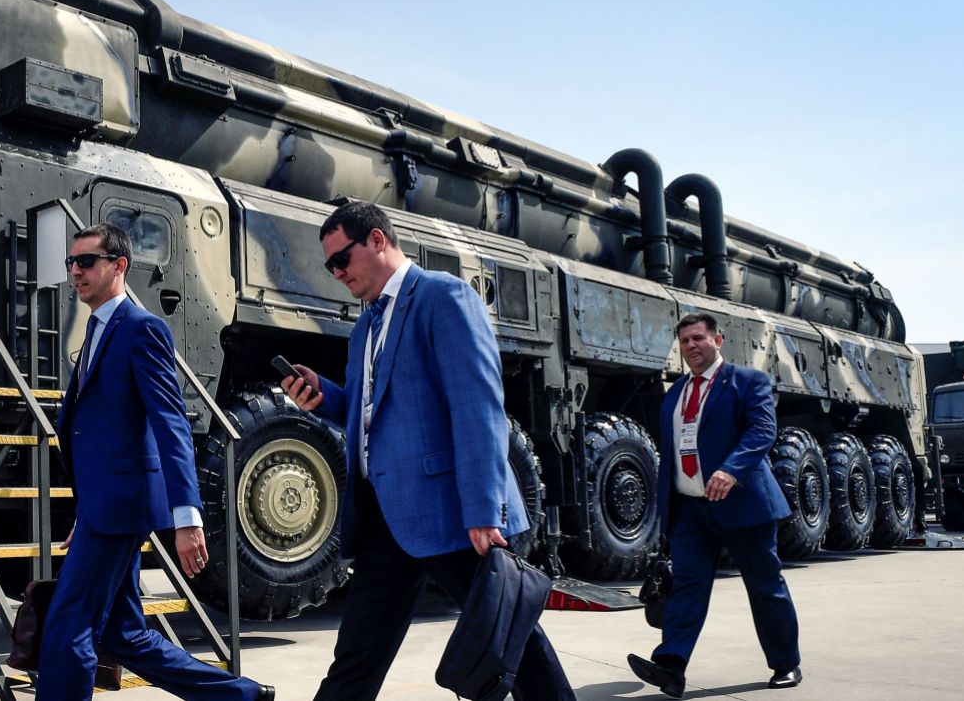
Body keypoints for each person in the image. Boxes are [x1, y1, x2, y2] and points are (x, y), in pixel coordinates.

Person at [281, 201, 575, 701]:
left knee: (511, 644)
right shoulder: (365, 328)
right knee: (356, 656)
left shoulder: (444, 296)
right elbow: (380, 412)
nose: (336, 274)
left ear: (377, 240)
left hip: (453, 514)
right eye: (330, 265)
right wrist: (326, 398)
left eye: (341, 260)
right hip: (384, 518)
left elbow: (478, 405)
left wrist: (484, 508)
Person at [40, 224, 271, 701]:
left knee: (68, 627)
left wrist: (187, 518)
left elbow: (171, 425)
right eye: (71, 263)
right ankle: (242, 696)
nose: (75, 272)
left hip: (121, 507)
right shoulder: (96, 334)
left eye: (86, 262)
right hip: (104, 507)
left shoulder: (142, 329)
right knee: (123, 634)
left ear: (118, 265)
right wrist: (84, 510)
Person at [626, 313, 801, 698]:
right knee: (687, 584)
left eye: (699, 338)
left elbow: (762, 430)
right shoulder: (675, 394)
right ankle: (671, 666)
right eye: (685, 340)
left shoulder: (747, 381)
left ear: (717, 340)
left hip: (743, 505)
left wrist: (731, 470)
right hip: (691, 509)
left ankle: (786, 663)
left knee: (764, 585)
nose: (692, 346)